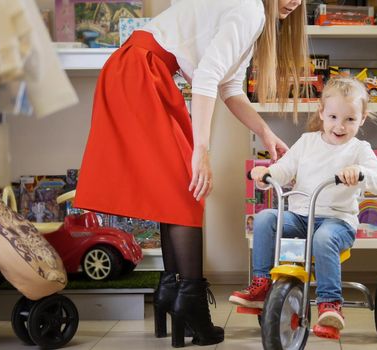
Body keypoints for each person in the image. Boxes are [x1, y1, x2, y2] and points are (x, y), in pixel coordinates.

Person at [73, 0, 308, 347]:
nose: (295, 1)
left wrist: (265, 132)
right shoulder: (250, 10)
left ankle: (172, 289)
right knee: (188, 188)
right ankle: (190, 300)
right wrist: (202, 150)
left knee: (178, 192)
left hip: (137, 68)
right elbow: (208, 77)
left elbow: (229, 87)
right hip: (141, 71)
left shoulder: (248, 13)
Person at [229, 77, 377, 332]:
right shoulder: (307, 142)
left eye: (349, 119)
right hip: (300, 218)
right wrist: (267, 174)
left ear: (362, 119)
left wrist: (359, 172)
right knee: (265, 219)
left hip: (337, 222)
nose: (340, 126)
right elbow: (284, 168)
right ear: (322, 113)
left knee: (323, 237)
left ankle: (330, 304)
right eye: (334, 117)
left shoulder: (359, 149)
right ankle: (261, 284)